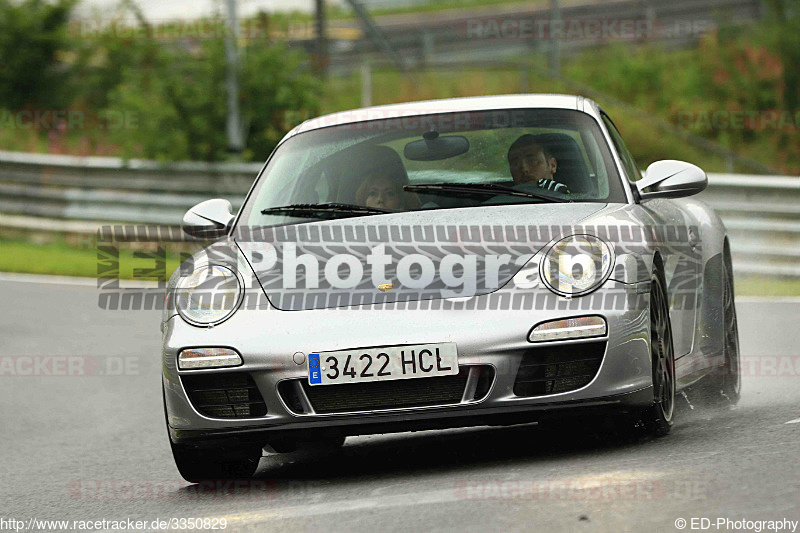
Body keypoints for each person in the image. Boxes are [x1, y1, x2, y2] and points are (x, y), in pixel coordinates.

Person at [506, 134, 571, 194]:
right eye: (515, 164)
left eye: (533, 161)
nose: (524, 169)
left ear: (552, 165)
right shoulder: (502, 202)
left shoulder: (569, 200)